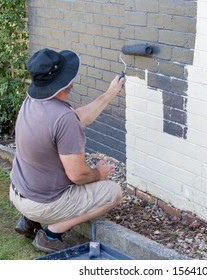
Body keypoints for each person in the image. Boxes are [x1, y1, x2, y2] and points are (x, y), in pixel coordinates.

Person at [9, 48, 125, 253]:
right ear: (65, 81)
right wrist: (99, 174)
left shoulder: (33, 101)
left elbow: (78, 117)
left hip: (19, 192)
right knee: (113, 193)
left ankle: (30, 222)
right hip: (42, 203)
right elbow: (78, 175)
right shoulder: (64, 119)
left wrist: (109, 94)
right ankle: (51, 235)